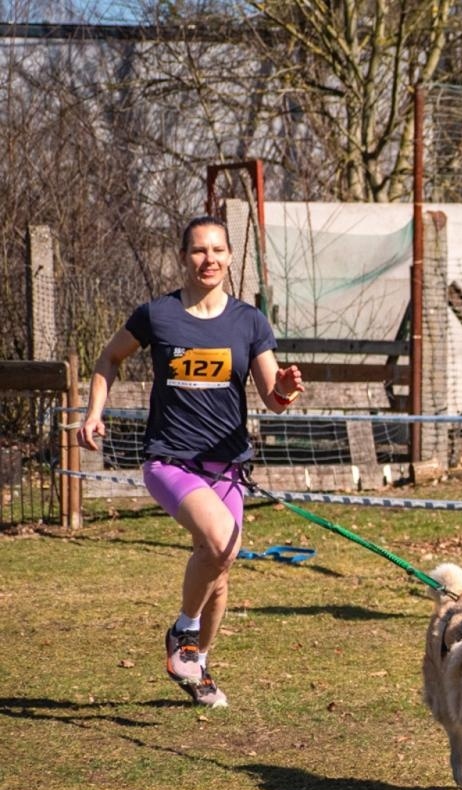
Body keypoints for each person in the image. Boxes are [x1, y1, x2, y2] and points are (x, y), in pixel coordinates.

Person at [78, 215, 303, 708]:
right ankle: (182, 632)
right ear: (183, 257)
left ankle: (197, 665)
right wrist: (94, 412)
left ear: (230, 257)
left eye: (218, 250)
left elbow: (273, 398)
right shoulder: (157, 315)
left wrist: (285, 389)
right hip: (170, 461)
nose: (209, 259)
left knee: (219, 572)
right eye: (199, 250)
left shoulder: (249, 321)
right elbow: (108, 358)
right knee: (221, 541)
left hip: (228, 467)